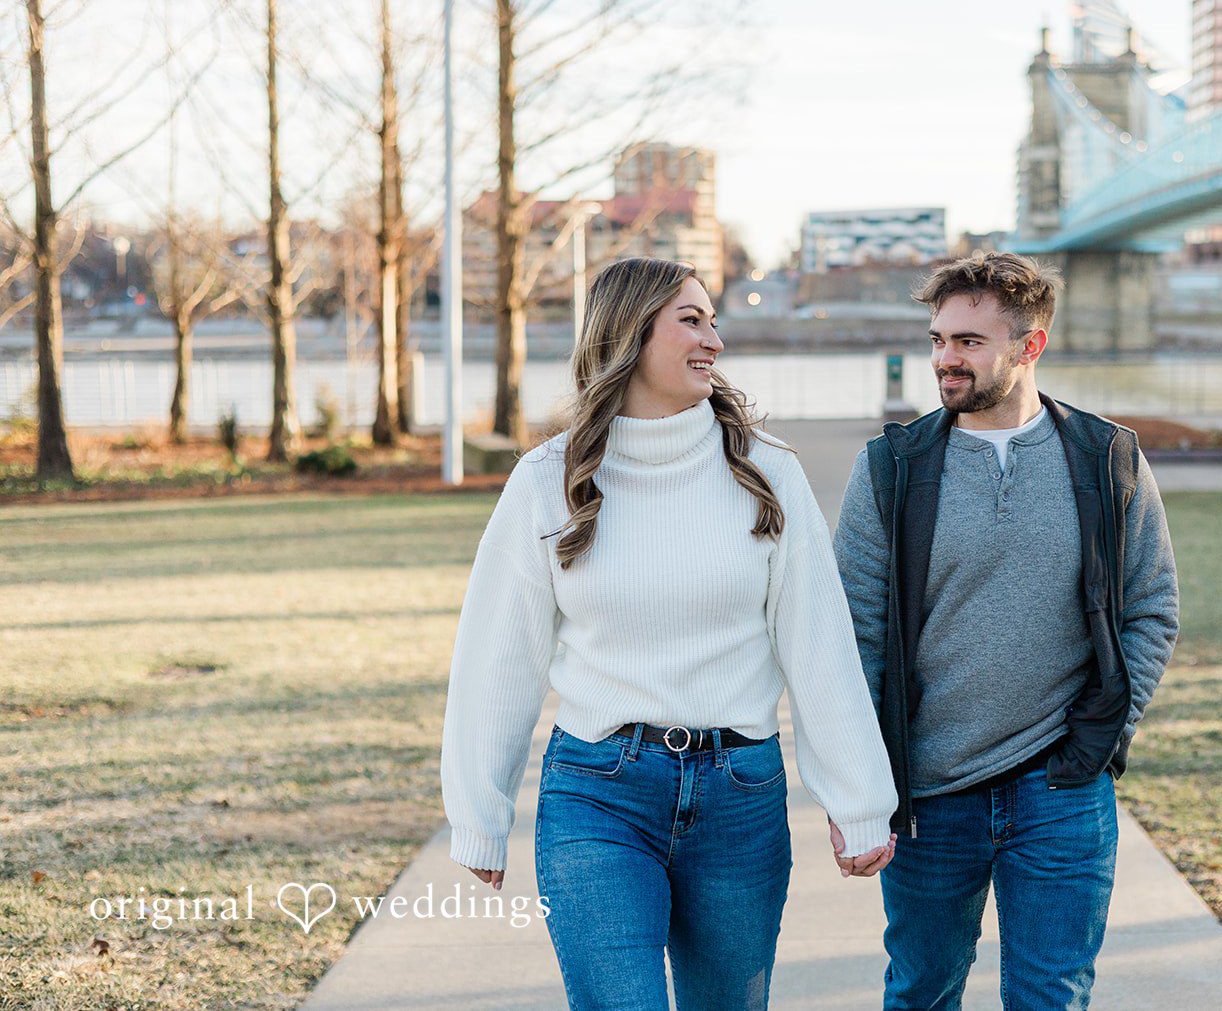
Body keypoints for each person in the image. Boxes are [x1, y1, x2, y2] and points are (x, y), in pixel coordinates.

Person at [440, 257, 897, 1011]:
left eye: (713, 320)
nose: (714, 339)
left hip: (740, 799)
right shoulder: (546, 479)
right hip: (598, 795)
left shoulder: (766, 474)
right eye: (692, 319)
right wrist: (479, 812)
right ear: (630, 333)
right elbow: (498, 654)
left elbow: (818, 644)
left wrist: (857, 800)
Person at [834, 250, 1181, 1010]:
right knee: (921, 990)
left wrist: (1097, 739)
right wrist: (857, 786)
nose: (945, 360)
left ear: (1030, 346)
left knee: (1051, 996)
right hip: (927, 796)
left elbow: (1151, 607)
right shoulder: (890, 468)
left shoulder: (1106, 456)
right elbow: (853, 637)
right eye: (938, 339)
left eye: (968, 342)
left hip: (1059, 791)